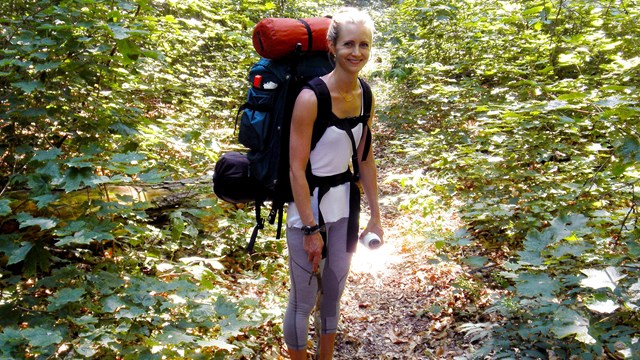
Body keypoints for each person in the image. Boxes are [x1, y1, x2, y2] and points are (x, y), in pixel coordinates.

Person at [284, 7, 383, 359]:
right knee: (303, 299)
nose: (357, 53)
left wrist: (376, 216)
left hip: (345, 207)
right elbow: (296, 169)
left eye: (364, 45)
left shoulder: (365, 96)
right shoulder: (310, 98)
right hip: (306, 209)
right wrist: (310, 228)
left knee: (334, 291)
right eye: (348, 44)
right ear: (332, 45)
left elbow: (365, 158)